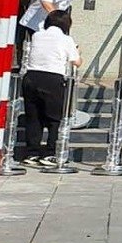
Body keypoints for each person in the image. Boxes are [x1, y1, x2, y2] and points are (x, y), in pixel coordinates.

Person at [18, 9, 81, 166]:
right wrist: (78, 52)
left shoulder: (37, 35)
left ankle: (32, 153)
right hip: (53, 79)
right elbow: (76, 61)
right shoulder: (67, 39)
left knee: (34, 117)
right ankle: (51, 153)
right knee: (55, 118)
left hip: (31, 77)